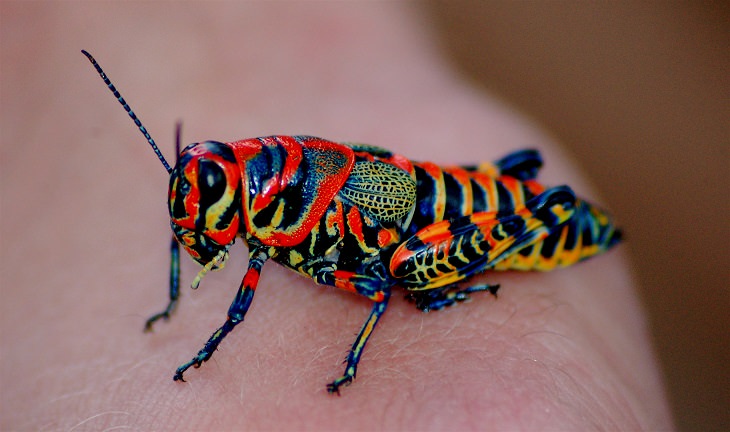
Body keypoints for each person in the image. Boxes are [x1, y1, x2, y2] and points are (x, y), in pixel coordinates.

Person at [1, 3, 672, 430]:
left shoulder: (299, 207)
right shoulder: (261, 200)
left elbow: (365, 292)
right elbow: (193, 238)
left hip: (447, 222)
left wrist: (326, 366)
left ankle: (531, 234)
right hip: (416, 193)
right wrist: (172, 304)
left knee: (400, 276)